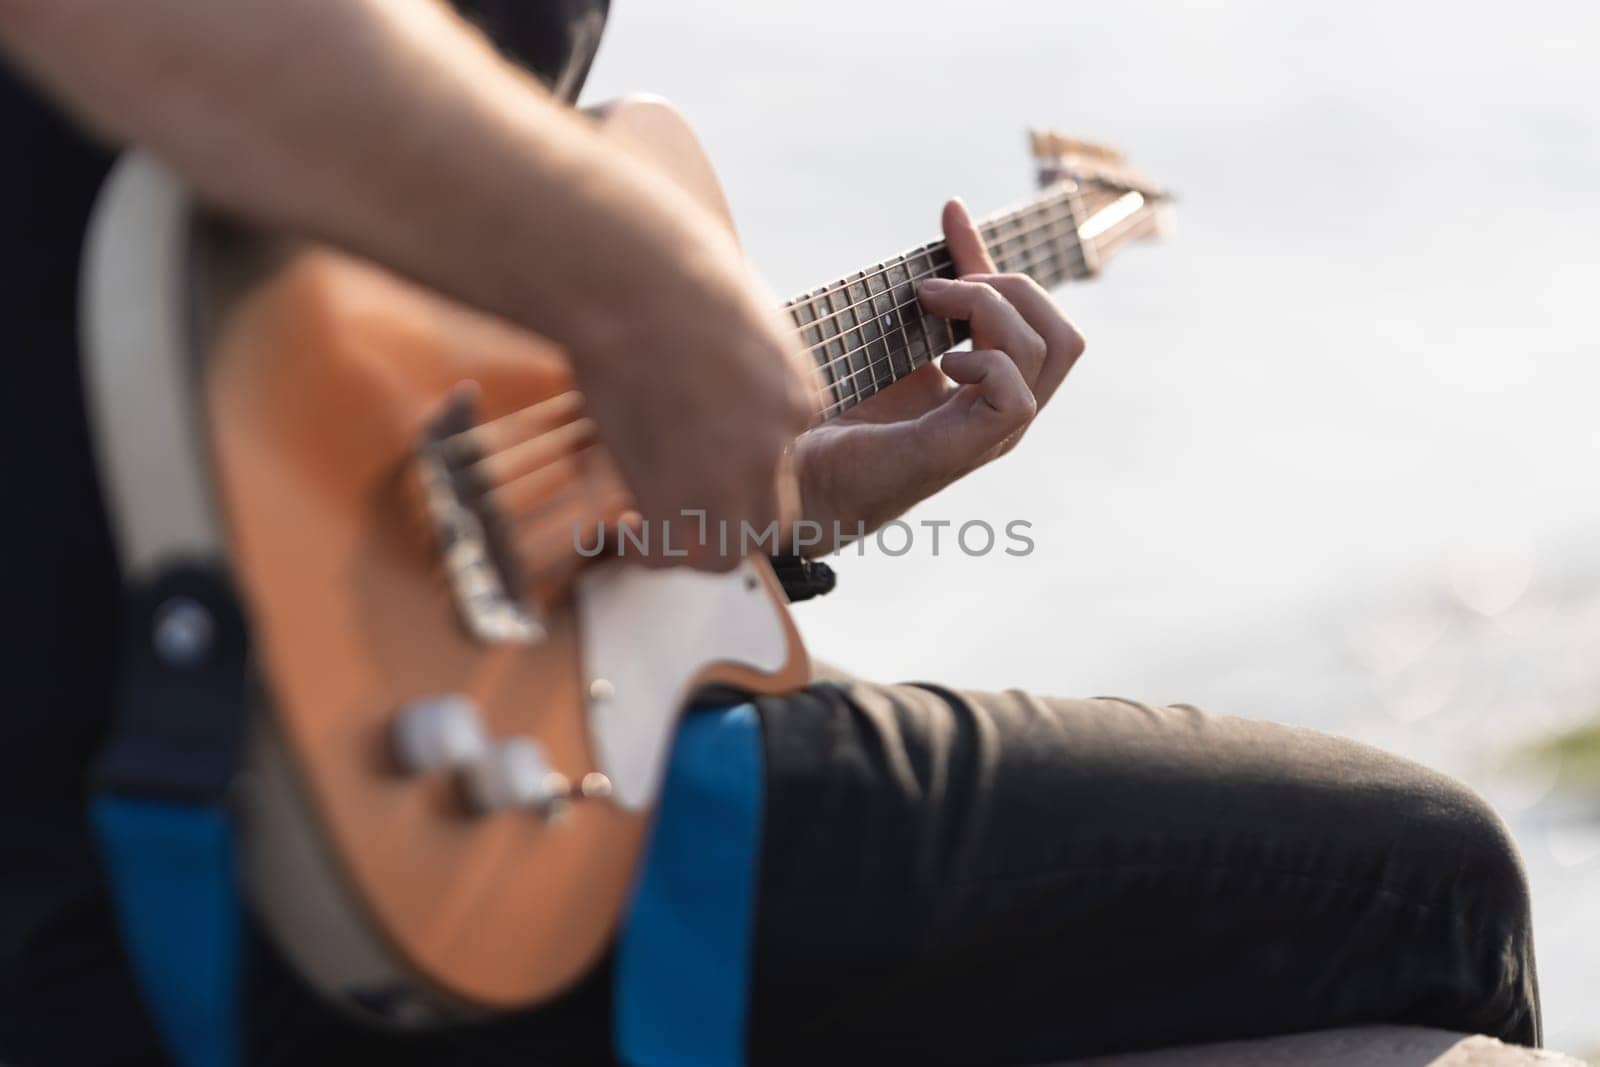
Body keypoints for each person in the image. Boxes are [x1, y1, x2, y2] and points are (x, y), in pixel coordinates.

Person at [0, 1, 1540, 1064]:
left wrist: (786, 501)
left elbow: (410, 463)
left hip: (358, 764)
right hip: (174, 831)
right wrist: (635, 276)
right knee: (1419, 882)